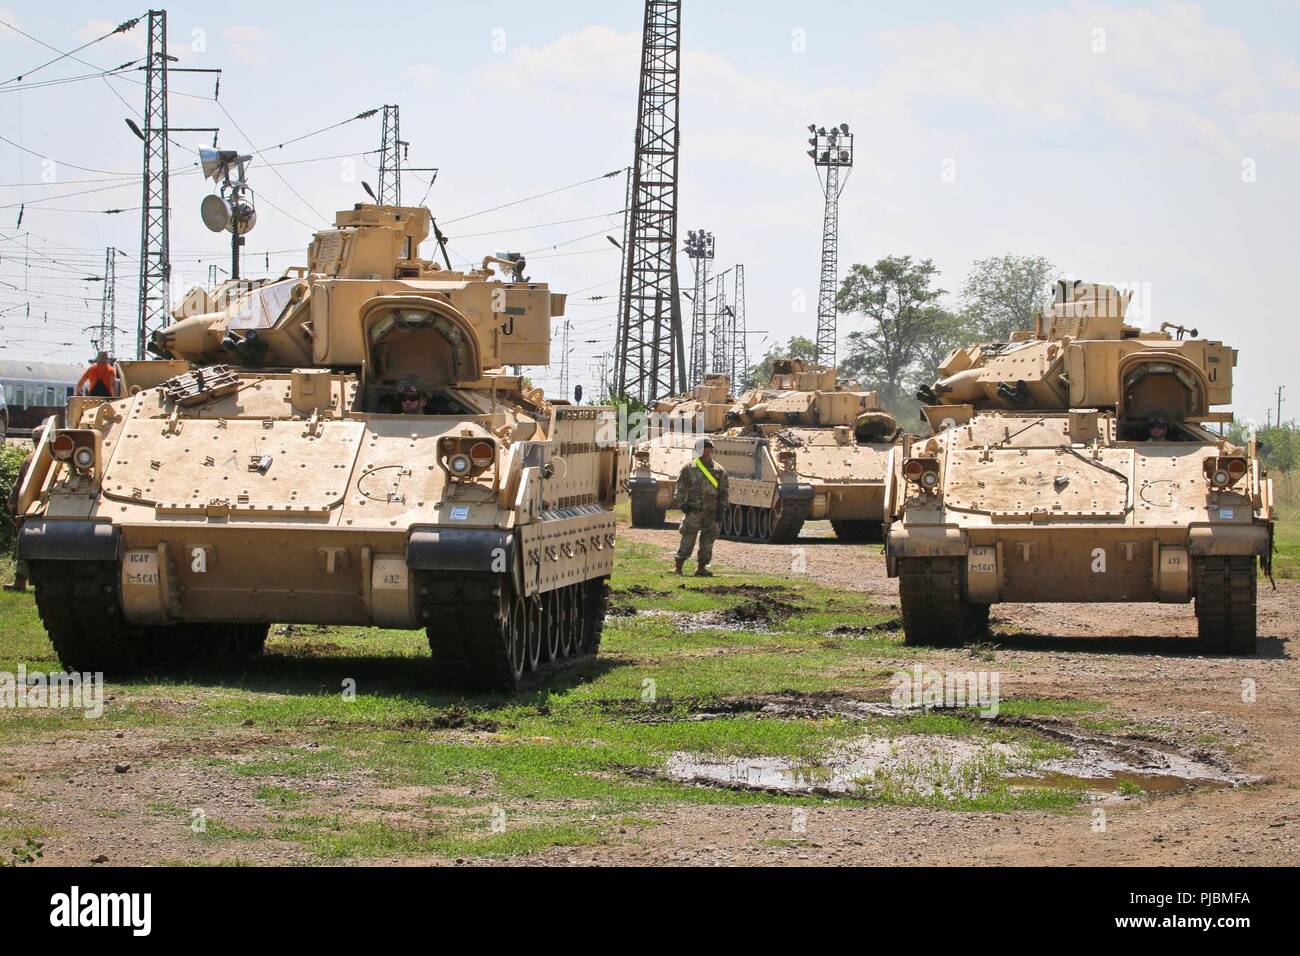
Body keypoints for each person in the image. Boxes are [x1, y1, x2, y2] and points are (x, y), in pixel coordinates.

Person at [671, 438, 728, 577]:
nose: (706, 451)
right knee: (687, 539)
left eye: (708, 448)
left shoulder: (719, 470)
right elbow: (680, 488)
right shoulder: (689, 468)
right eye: (703, 448)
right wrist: (682, 503)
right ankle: (678, 567)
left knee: (708, 541)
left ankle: (701, 568)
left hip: (711, 512)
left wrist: (721, 510)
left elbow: (724, 492)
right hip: (693, 510)